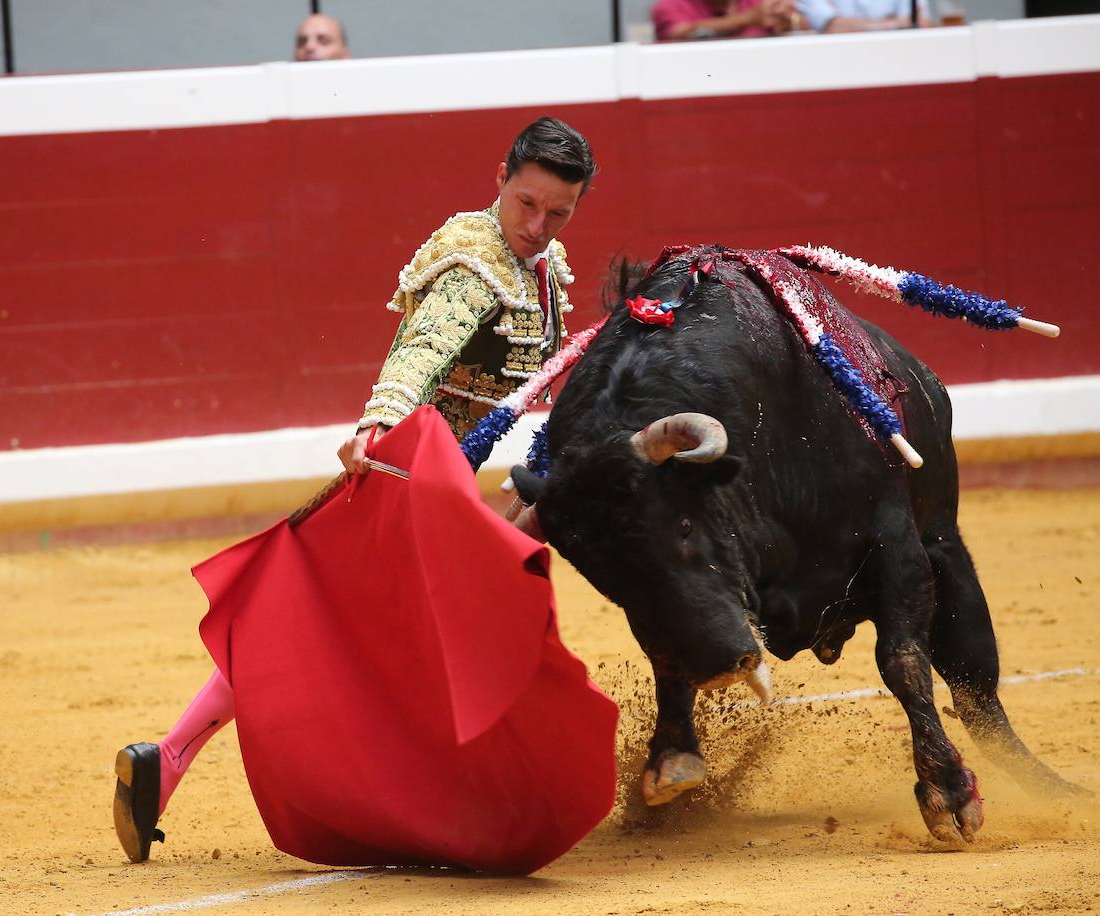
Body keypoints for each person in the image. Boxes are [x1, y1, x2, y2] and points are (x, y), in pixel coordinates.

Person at [113, 116, 597, 864]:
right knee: (357, 637)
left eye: (556, 212)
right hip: (411, 475)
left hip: (441, 479)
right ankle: (182, 757)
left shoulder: (537, 261)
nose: (537, 225)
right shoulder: (476, 266)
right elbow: (424, 349)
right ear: (501, 176)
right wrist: (381, 421)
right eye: (526, 203)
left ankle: (169, 758)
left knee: (334, 629)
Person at [652, 0, 805, 40]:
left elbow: (803, 22)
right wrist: (748, 19)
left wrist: (789, 22)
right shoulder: (670, 6)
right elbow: (681, 33)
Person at [797, 0, 933, 31]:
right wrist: (895, 23)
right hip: (836, 62)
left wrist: (848, 24)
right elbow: (830, 26)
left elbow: (920, 22)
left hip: (896, 58)